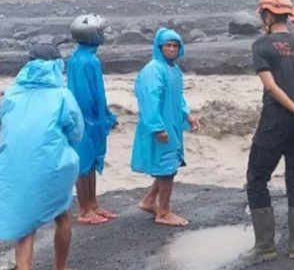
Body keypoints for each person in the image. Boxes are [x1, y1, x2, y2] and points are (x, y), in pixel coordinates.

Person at [239, 0, 294, 266]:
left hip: (275, 119)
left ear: (268, 15)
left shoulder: (261, 45)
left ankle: (264, 246)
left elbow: (271, 87)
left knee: (257, 178)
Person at [0, 44, 84, 270]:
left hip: (15, 164)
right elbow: (76, 131)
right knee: (63, 216)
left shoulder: (12, 93)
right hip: (53, 164)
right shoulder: (62, 95)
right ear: (57, 66)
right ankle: (60, 267)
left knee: (25, 225)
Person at [131, 28, 200, 227]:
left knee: (168, 164)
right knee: (167, 167)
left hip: (172, 123)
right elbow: (149, 100)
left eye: (175, 46)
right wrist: (157, 128)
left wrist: (188, 115)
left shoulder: (173, 70)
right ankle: (164, 212)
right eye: (167, 46)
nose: (171, 49)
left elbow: (178, 98)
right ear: (159, 47)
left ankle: (149, 200)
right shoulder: (153, 70)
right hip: (160, 126)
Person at [67, 14, 119, 225]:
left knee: (92, 161)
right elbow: (84, 95)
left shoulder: (88, 58)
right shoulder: (82, 61)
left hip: (92, 118)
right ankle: (84, 209)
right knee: (83, 164)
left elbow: (98, 94)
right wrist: (95, 118)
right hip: (84, 119)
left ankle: (94, 204)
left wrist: (106, 115)